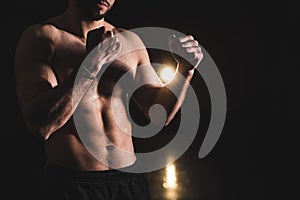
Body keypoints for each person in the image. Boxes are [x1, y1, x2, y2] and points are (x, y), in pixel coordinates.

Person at [14, 0, 203, 199]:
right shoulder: (43, 38)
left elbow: (159, 114)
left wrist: (184, 70)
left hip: (128, 181)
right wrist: (91, 64)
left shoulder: (129, 41)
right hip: (73, 185)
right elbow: (41, 125)